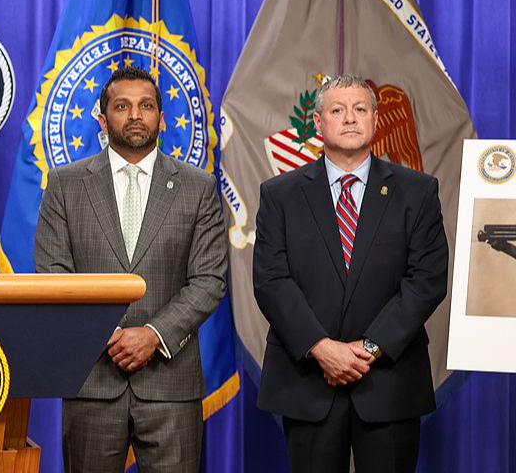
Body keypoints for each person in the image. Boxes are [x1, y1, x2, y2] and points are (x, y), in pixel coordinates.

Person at [34, 66, 227, 473]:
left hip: (170, 384)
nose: (135, 115)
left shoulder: (198, 186)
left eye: (146, 106)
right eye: (122, 106)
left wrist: (153, 335)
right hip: (93, 381)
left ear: (161, 117)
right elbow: (53, 274)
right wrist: (106, 335)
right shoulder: (66, 184)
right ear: (103, 120)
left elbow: (208, 279)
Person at [252, 74, 448, 473]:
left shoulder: (418, 191)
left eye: (360, 109)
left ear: (376, 120)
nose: (350, 118)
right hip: (308, 383)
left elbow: (426, 279)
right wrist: (322, 348)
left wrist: (369, 349)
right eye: (337, 110)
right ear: (318, 123)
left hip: (389, 384)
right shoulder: (280, 194)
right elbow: (271, 281)